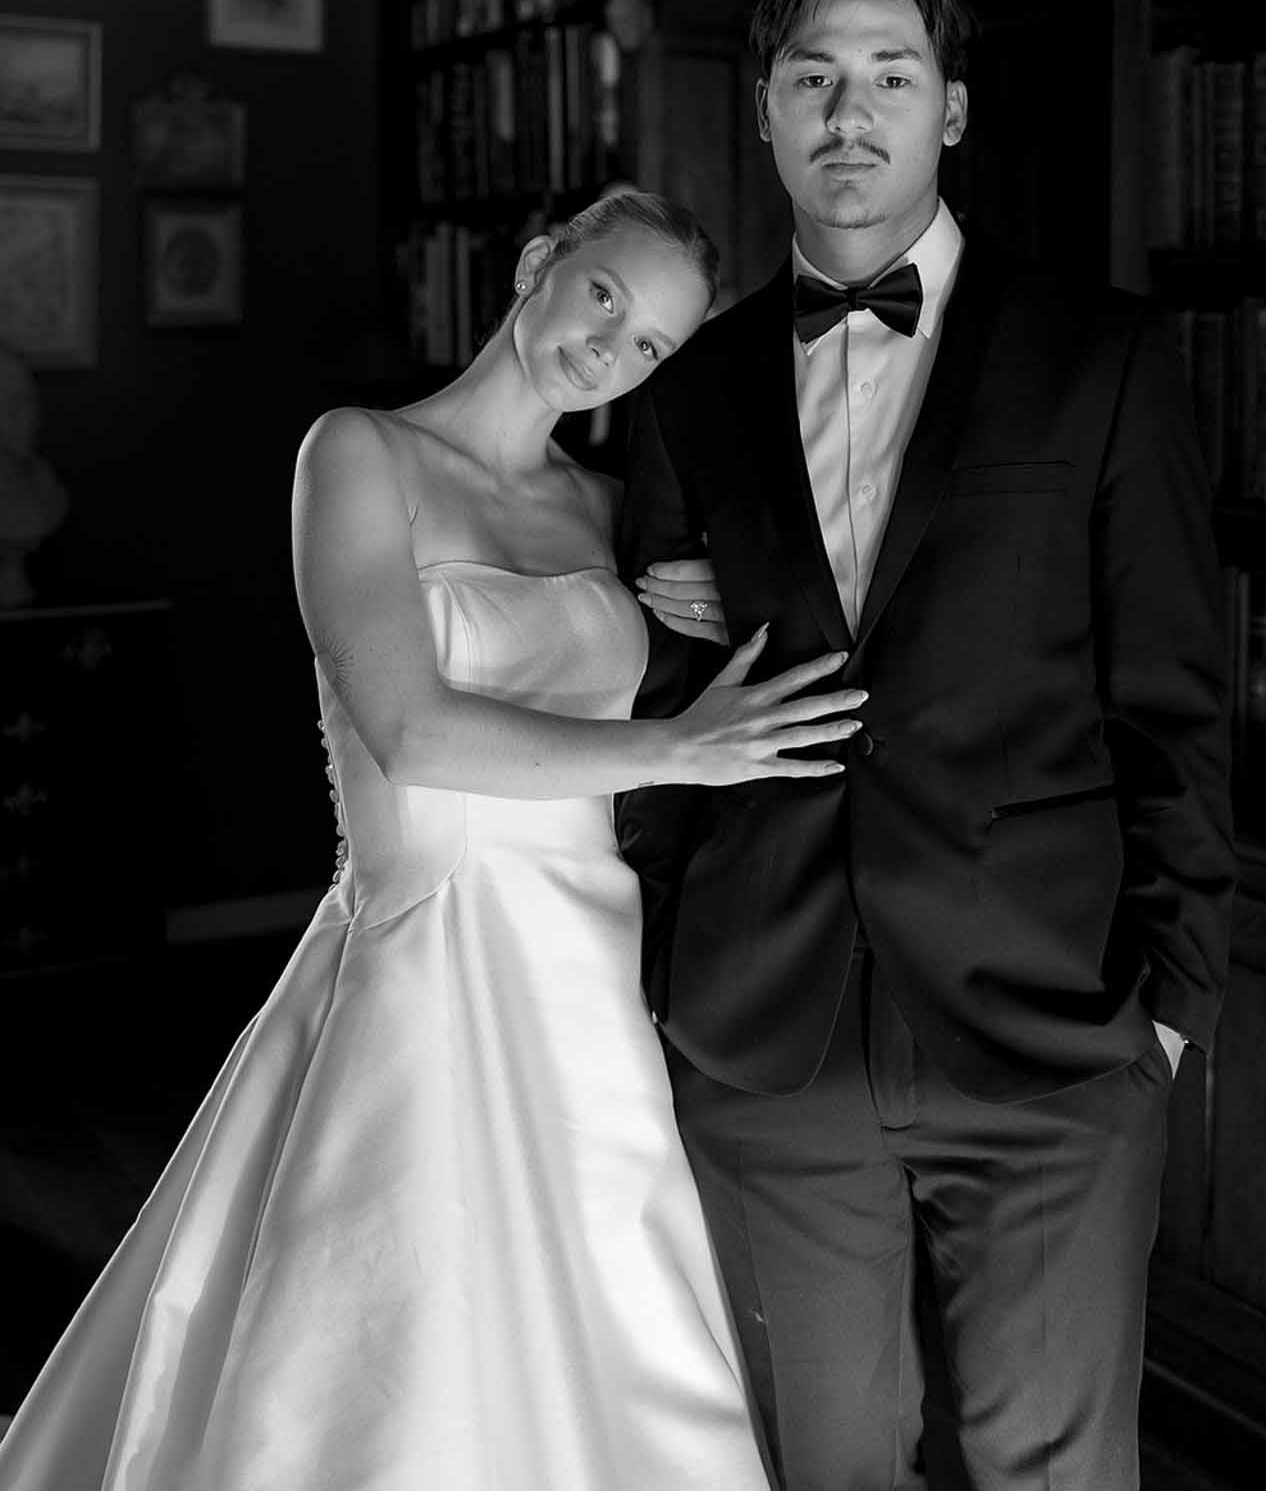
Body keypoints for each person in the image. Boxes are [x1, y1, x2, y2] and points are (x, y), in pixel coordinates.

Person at [0, 189, 869, 1491]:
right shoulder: (360, 455)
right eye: (602, 296)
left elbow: (715, 659)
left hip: (588, 976)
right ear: (537, 264)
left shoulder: (609, 507)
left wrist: (709, 608)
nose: (609, 350)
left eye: (649, 345)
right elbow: (407, 730)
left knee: (609, 1329)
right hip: (426, 947)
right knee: (398, 1341)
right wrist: (678, 747)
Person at [616, 0, 1236, 1491]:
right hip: (770, 1035)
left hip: (1049, 1024)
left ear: (950, 110)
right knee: (824, 1472)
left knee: (1052, 1472)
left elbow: (1170, 691)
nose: (850, 113)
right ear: (763, 111)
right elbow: (666, 715)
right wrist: (674, 969)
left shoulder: (1101, 357)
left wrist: (1168, 1001)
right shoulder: (685, 392)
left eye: (890, 77)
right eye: (813, 78)